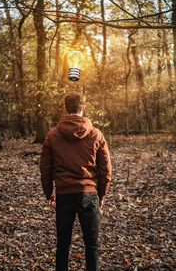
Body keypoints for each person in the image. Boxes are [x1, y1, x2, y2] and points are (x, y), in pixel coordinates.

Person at [40, 91, 112, 271]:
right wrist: (101, 194)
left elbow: (45, 168)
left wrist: (49, 193)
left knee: (63, 245)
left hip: (64, 195)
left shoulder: (52, 135)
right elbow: (105, 169)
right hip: (89, 194)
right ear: (84, 108)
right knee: (92, 245)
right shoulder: (96, 134)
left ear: (65, 108)